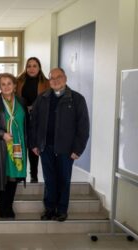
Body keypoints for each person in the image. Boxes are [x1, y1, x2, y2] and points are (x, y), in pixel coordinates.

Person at [30, 68, 89, 222]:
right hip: (46, 147)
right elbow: (33, 123)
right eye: (52, 78)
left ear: (65, 78)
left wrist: (78, 149)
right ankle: (49, 208)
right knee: (49, 179)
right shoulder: (42, 98)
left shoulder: (76, 99)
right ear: (49, 81)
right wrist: (35, 143)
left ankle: (62, 210)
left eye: (59, 77)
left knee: (64, 179)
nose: (55, 80)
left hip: (66, 149)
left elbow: (83, 127)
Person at [0, 73, 27, 219]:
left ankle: (9, 206)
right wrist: (2, 134)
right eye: (3, 84)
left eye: (9, 83)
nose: (6, 86)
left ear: (15, 85)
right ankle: (2, 207)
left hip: (18, 145)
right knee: (2, 176)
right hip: (1, 145)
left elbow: (26, 123)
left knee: (14, 176)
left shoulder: (21, 101)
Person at [16, 57, 50, 183]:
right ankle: (20, 173)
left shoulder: (46, 82)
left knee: (33, 146)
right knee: (21, 145)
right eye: (29, 66)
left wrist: (34, 108)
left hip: (38, 118)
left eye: (34, 66)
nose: (31, 68)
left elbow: (48, 100)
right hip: (21, 117)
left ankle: (34, 175)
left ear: (39, 67)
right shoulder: (18, 80)